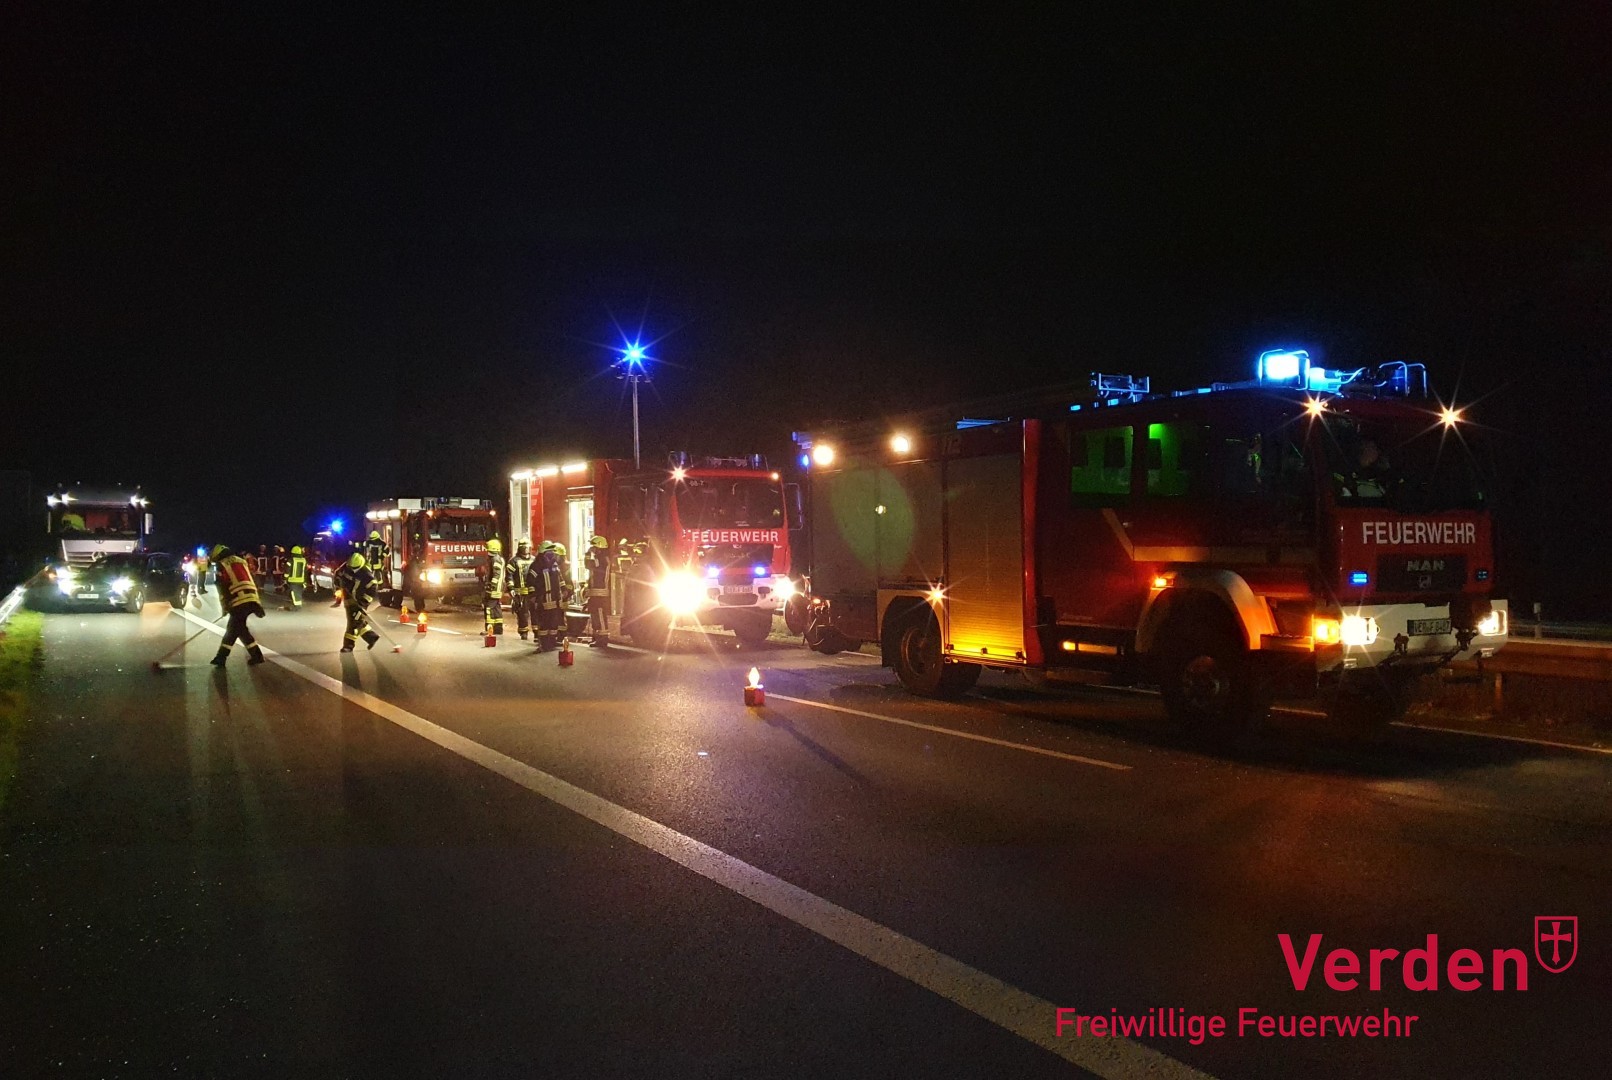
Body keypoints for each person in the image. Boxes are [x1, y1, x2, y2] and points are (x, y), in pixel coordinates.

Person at [209, 544, 266, 666]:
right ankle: (256, 656)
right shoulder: (241, 561)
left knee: (233, 629)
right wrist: (257, 603)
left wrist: (224, 605)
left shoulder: (222, 564)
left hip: (238, 599)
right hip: (251, 597)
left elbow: (222, 587)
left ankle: (221, 658)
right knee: (239, 629)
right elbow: (250, 578)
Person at [335, 552, 380, 652]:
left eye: (356, 569)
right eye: (352, 568)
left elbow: (372, 589)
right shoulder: (346, 567)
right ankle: (371, 637)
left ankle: (348, 646)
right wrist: (339, 586)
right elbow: (337, 575)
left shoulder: (367, 575)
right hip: (348, 599)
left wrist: (363, 603)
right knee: (357, 620)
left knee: (353, 622)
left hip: (359, 601)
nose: (354, 571)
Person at [531, 542, 567, 651]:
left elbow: (559, 579)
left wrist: (564, 589)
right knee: (543, 623)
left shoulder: (554, 565)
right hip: (543, 599)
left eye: (552, 552)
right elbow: (530, 582)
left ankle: (551, 642)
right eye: (549, 552)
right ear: (542, 553)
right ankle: (544, 643)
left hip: (555, 600)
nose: (552, 554)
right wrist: (533, 596)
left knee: (553, 623)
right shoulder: (536, 566)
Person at [507, 538, 537, 640]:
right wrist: (511, 588)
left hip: (533, 593)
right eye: (523, 548)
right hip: (520, 594)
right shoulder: (514, 561)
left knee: (535, 612)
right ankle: (523, 633)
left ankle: (537, 632)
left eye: (527, 547)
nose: (526, 550)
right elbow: (509, 576)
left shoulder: (534, 560)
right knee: (522, 614)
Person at [584, 535, 612, 647]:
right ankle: (597, 637)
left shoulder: (602, 559)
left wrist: (587, 554)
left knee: (600, 615)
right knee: (595, 614)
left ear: (600, 547)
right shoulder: (599, 558)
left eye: (594, 547)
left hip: (600, 593)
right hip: (596, 592)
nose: (593, 549)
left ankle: (603, 639)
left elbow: (588, 565)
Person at [482, 537, 507, 639]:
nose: (487, 550)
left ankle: (489, 628)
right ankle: (498, 629)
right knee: (496, 608)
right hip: (498, 588)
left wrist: (491, 586)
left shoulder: (495, 559)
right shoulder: (498, 558)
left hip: (494, 589)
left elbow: (496, 575)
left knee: (489, 608)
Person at [285, 545, 307, 609]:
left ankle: (297, 605)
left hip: (293, 580)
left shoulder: (291, 560)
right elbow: (305, 570)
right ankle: (297, 603)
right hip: (301, 580)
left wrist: (285, 577)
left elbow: (287, 569)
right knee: (298, 592)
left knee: (294, 592)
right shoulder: (304, 560)